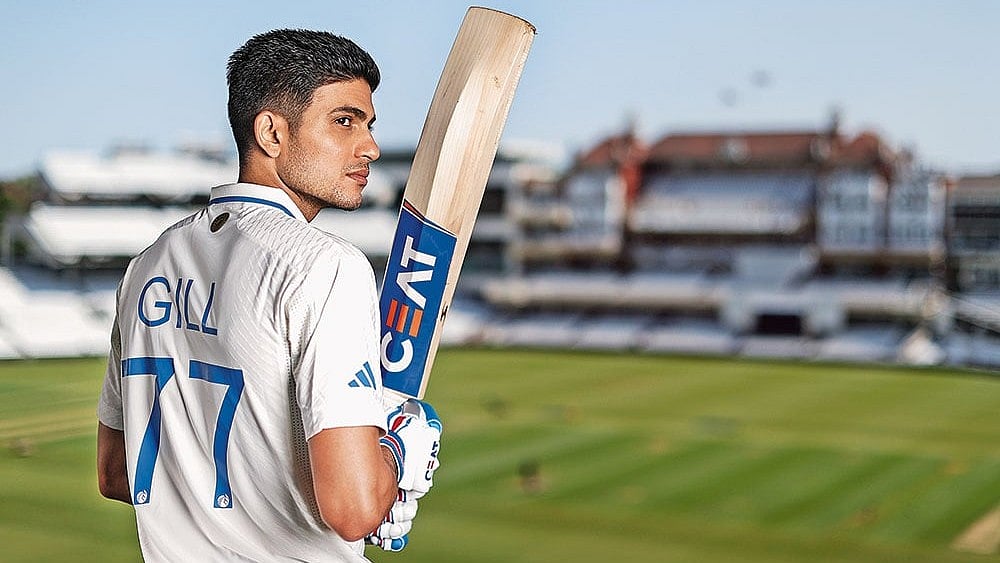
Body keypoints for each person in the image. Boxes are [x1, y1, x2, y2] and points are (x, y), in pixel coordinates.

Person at [96, 29, 441, 562]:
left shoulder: (146, 266)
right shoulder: (325, 266)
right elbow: (353, 510)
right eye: (344, 121)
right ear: (271, 134)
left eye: (369, 125)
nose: (369, 146)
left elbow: (117, 474)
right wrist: (397, 452)